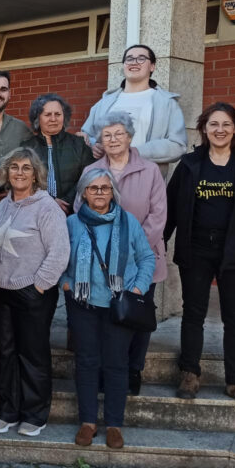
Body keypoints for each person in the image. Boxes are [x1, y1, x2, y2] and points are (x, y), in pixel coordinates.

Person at [165, 102, 235, 408]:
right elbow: (172, 207)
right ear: (204, 128)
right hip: (196, 250)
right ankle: (189, 372)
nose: (220, 130)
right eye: (214, 124)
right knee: (193, 313)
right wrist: (159, 240)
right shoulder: (189, 164)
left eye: (226, 124)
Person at [61, 169, 155, 450]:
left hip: (119, 305)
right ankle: (88, 422)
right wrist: (66, 284)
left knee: (116, 364)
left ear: (113, 191)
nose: (99, 193)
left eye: (104, 188)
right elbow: (57, 257)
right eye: (93, 188)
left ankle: (114, 423)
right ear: (83, 193)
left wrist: (137, 288)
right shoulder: (71, 224)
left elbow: (146, 257)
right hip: (83, 305)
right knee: (87, 362)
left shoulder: (128, 222)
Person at [75, 111, 167, 395]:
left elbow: (158, 214)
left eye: (119, 134)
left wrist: (131, 248)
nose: (113, 139)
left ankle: (133, 370)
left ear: (129, 136)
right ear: (101, 140)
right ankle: (107, 369)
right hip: (100, 263)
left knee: (136, 316)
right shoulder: (91, 171)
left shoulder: (150, 170)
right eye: (107, 135)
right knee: (105, 317)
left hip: (141, 259)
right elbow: (81, 210)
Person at [0, 148, 70, 437]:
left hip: (33, 292)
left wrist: (39, 286)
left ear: (36, 174)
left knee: (32, 354)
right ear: (6, 173)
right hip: (0, 292)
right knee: (6, 353)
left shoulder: (46, 207)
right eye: (14, 167)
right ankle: (8, 410)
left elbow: (60, 252)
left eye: (26, 168)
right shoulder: (4, 205)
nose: (19, 172)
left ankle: (35, 414)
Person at [79, 44, 187, 170]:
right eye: (129, 59)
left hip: (144, 178)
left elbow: (177, 145)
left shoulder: (166, 103)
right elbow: (86, 136)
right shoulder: (105, 103)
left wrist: (133, 152)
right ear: (124, 66)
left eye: (141, 58)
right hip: (105, 181)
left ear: (152, 66)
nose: (134, 62)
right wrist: (94, 146)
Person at [22, 93, 93, 215]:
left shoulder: (78, 144)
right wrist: (49, 201)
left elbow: (90, 176)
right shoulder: (26, 148)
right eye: (48, 115)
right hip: (37, 213)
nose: (53, 119)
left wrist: (66, 201)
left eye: (58, 114)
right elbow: (22, 181)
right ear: (37, 118)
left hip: (73, 212)